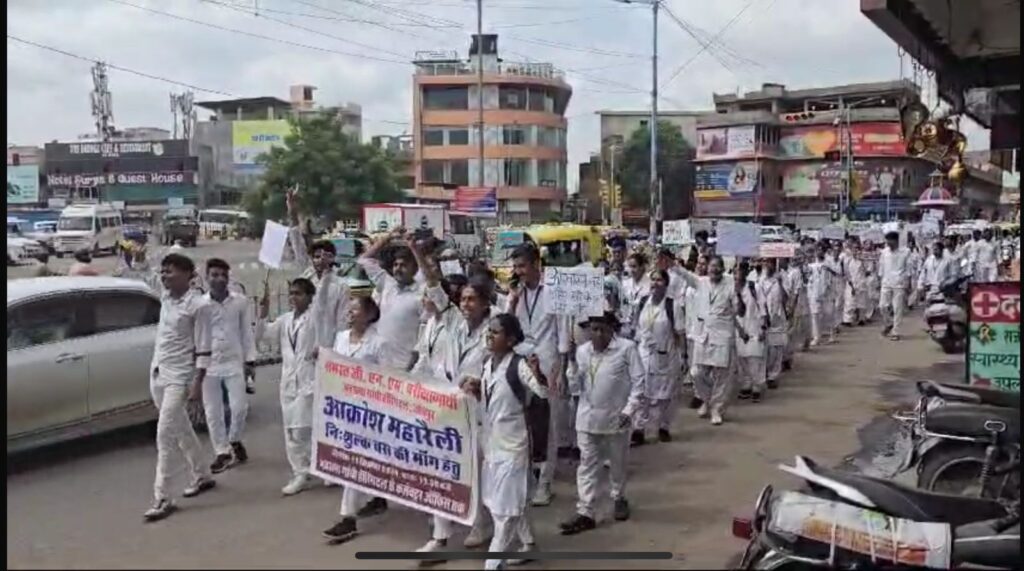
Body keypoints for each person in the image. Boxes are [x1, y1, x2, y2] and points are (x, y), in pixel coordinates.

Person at [461, 314, 549, 570]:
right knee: (508, 501)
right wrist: (478, 390)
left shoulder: (519, 365)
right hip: (493, 444)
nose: (489, 335)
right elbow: (492, 400)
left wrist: (538, 374)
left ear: (510, 339)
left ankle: (492, 564)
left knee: (505, 512)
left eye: (496, 332)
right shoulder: (489, 364)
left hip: (515, 447)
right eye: (489, 331)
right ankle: (530, 545)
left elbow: (542, 392)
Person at [143, 253, 216, 522]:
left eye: (170, 271)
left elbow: (205, 348)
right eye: (163, 272)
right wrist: (139, 260)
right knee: (181, 429)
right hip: (158, 372)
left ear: (188, 274)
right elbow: (143, 278)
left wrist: (197, 382)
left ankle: (163, 497)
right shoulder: (165, 298)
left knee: (165, 435)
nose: (164, 276)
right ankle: (202, 474)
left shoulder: (199, 306)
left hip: (180, 378)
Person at [560, 311, 644, 535]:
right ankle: (585, 511)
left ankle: (618, 497)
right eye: (593, 329)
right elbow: (576, 387)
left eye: (602, 330)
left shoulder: (627, 349)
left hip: (617, 418)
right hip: (587, 418)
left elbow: (639, 382)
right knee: (587, 465)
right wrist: (571, 365)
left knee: (617, 462)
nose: (597, 334)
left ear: (611, 330)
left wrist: (629, 410)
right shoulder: (582, 351)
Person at [321, 297, 389, 545]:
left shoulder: (379, 343)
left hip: (369, 411)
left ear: (370, 314)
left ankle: (347, 518)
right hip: (343, 408)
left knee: (355, 463)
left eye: (356, 308)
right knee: (365, 461)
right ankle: (379, 496)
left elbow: (387, 377)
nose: (350, 312)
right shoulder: (340, 338)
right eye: (348, 308)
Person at [505, 243, 568, 507]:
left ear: (535, 265)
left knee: (549, 424)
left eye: (522, 266)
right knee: (525, 423)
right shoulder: (516, 294)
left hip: (548, 361)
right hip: (521, 361)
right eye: (515, 267)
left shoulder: (554, 290)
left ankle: (545, 483)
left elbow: (563, 328)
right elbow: (506, 327)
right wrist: (511, 300)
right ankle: (530, 476)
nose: (518, 272)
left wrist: (562, 368)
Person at [257, 278, 319, 496]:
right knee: (291, 430)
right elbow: (264, 337)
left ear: (310, 297)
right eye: (291, 293)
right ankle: (300, 472)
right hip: (288, 382)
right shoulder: (285, 320)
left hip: (309, 380)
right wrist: (262, 314)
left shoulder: (316, 319)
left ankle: (318, 466)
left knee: (304, 428)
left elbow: (327, 339)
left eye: (299, 293)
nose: (293, 297)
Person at [670, 256, 743, 426]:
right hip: (703, 335)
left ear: (723, 268)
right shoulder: (701, 282)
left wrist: (738, 296)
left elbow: (738, 310)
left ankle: (716, 408)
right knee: (696, 373)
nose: (714, 270)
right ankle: (708, 400)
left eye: (718, 267)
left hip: (722, 335)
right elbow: (686, 275)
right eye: (712, 266)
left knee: (722, 376)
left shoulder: (731, 283)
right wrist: (672, 265)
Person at [201, 258, 257, 472]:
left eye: (223, 275)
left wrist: (250, 360)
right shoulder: (200, 305)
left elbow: (246, 332)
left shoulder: (240, 302)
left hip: (234, 362)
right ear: (207, 277)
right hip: (209, 364)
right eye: (215, 275)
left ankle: (234, 439)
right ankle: (221, 452)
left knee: (239, 408)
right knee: (213, 412)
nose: (219, 279)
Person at [286, 188, 351, 349]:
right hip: (302, 345)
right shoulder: (307, 277)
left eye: (326, 256)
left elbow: (342, 324)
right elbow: (297, 242)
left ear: (333, 258)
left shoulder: (341, 286)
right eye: (316, 256)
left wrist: (333, 351)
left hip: (326, 349)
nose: (320, 260)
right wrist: (292, 212)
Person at [630, 268, 685, 444]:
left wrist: (683, 356)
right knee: (642, 392)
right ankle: (639, 429)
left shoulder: (672, 305)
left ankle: (664, 426)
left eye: (659, 280)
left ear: (666, 284)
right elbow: (636, 327)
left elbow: (679, 333)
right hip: (644, 354)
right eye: (652, 279)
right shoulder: (643, 302)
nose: (655, 283)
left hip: (667, 355)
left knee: (666, 395)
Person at [359, 228, 425, 371]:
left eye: (404, 265)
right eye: (396, 265)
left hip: (404, 367)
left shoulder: (420, 294)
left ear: (414, 269)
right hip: (378, 363)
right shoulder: (387, 284)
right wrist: (388, 237)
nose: (398, 269)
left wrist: (414, 248)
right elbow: (364, 260)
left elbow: (424, 336)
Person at [734, 264, 767, 402]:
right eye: (735, 272)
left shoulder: (754, 288)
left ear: (745, 273)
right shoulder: (731, 290)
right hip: (738, 329)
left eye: (740, 271)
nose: (738, 275)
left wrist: (763, 327)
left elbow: (762, 306)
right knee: (741, 360)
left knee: (754, 358)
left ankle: (756, 387)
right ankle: (745, 385)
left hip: (754, 326)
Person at [759, 259, 788, 388]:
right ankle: (764, 373)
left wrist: (781, 283)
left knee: (777, 348)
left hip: (778, 317)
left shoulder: (781, 278)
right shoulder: (760, 280)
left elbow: (786, 298)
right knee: (766, 348)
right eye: (766, 263)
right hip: (764, 317)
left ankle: (773, 376)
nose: (768, 265)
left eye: (770, 263)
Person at [878, 231, 910, 341]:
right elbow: (881, 267)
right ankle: (888, 323)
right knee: (882, 306)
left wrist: (908, 283)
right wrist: (880, 279)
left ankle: (896, 331)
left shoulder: (905, 252)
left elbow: (909, 268)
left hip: (899, 283)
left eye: (890, 241)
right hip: (886, 282)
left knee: (897, 308)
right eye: (887, 241)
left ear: (896, 241)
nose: (888, 243)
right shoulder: (884, 252)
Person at [807, 246, 836, 346]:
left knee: (829, 314)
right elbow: (808, 279)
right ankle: (816, 337)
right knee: (815, 315)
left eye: (821, 250)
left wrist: (829, 269)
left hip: (827, 293)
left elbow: (835, 275)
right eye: (817, 250)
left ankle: (831, 334)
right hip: (814, 294)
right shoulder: (811, 265)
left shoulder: (828, 264)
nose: (819, 252)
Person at [620, 252, 651, 340]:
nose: (631, 270)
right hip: (626, 326)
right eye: (630, 267)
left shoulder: (650, 284)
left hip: (643, 327)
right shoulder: (625, 283)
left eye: (634, 266)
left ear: (642, 267)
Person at [841, 243, 866, 326]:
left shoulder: (862, 260)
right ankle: (847, 320)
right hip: (851, 283)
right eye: (854, 249)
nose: (856, 251)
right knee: (849, 301)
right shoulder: (848, 261)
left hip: (861, 283)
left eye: (857, 249)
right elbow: (846, 273)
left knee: (861, 302)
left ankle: (861, 318)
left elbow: (866, 271)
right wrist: (851, 284)